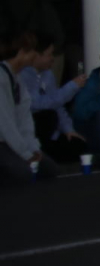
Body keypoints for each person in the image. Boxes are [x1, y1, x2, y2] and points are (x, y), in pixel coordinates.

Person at [0, 30, 61, 183]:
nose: (35, 55)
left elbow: (24, 118)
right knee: (22, 173)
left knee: (49, 169)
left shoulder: (17, 78)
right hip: (2, 141)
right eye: (33, 51)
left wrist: (33, 148)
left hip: (10, 141)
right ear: (23, 52)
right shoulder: (2, 79)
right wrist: (25, 153)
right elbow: (5, 124)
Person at [20, 32, 88, 164]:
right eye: (49, 54)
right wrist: (71, 87)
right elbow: (37, 104)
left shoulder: (47, 74)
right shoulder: (23, 75)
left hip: (52, 132)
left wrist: (69, 130)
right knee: (48, 116)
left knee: (78, 145)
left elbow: (58, 105)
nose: (52, 58)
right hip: (31, 128)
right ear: (36, 56)